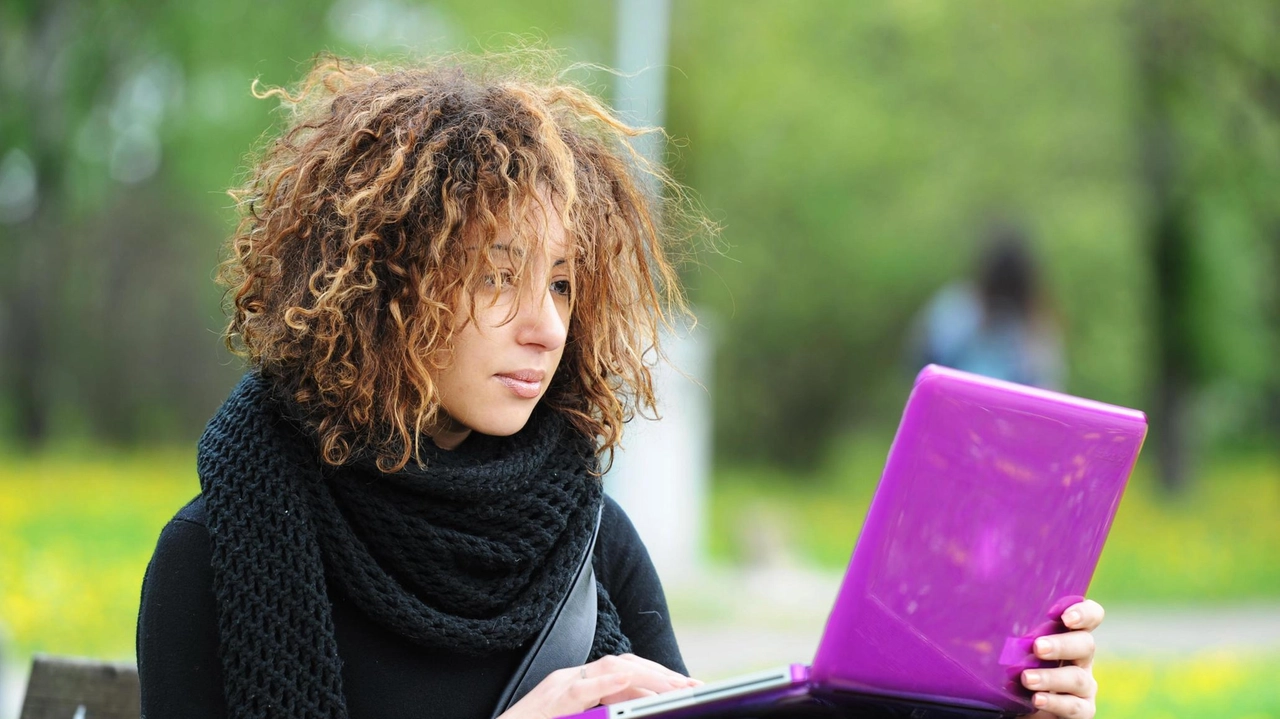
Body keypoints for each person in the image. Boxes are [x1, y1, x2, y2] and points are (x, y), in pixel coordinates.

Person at [137, 53, 1105, 719]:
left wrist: (1000, 698)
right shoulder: (212, 559)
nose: (544, 321)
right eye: (495, 274)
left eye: (561, 280)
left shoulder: (590, 540)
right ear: (383, 284)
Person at [910, 222, 1066, 390]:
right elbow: (1047, 386)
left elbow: (921, 359)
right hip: (1003, 413)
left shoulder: (956, 307)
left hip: (950, 405)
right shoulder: (1036, 326)